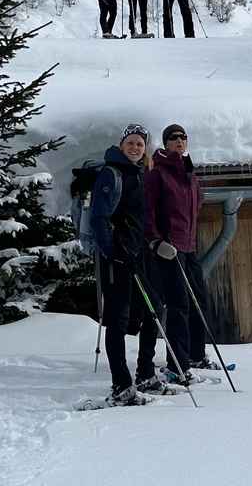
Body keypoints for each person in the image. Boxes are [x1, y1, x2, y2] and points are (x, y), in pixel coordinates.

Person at [90, 124, 164, 405]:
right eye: (130, 143)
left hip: (139, 254)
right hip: (118, 258)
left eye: (140, 144)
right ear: (121, 145)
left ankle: (146, 372)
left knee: (154, 308)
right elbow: (99, 217)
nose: (135, 147)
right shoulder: (112, 173)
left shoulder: (139, 174)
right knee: (117, 320)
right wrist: (112, 250)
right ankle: (121, 384)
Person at [148, 123, 219, 375]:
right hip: (169, 249)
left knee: (199, 300)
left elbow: (196, 203)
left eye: (183, 137)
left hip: (189, 247)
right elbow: (149, 211)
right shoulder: (158, 174)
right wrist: (157, 240)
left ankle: (196, 355)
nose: (179, 141)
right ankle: (177, 364)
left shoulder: (189, 174)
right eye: (173, 138)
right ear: (166, 143)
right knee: (179, 305)